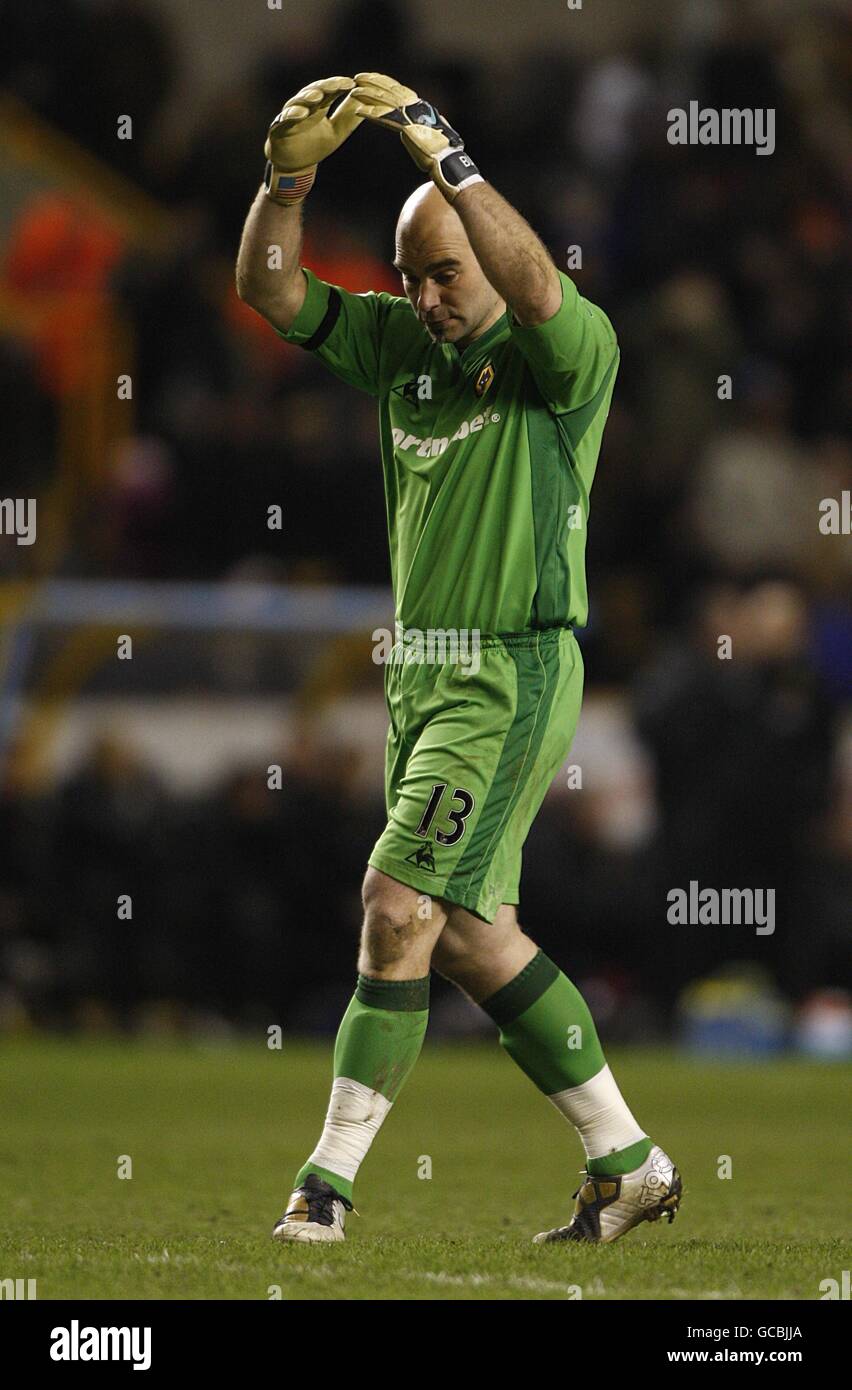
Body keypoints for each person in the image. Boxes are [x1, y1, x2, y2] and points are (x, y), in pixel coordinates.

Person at [236, 73, 682, 1245]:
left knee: (396, 905)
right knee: (475, 938)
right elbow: (269, 288)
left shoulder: (565, 359)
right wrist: (285, 182)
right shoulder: (396, 350)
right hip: (421, 677)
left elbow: (537, 285)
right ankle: (627, 1160)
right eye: (412, 277)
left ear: (488, 248)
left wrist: (450, 157)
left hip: (511, 671)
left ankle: (323, 1188)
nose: (428, 298)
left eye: (446, 273)